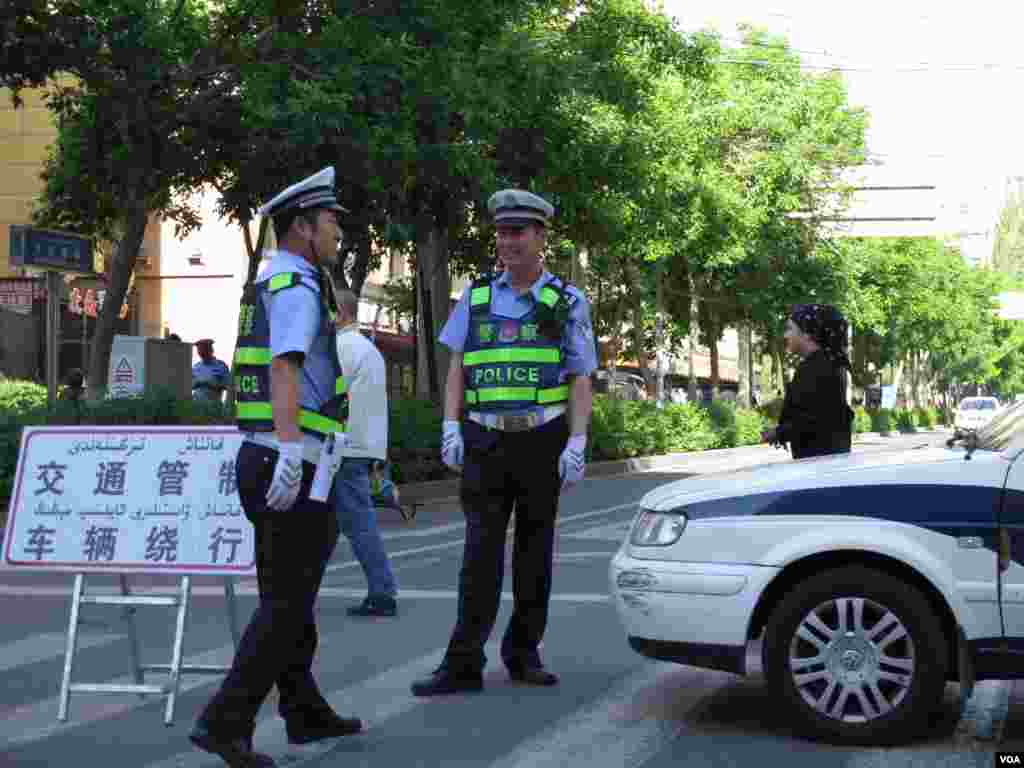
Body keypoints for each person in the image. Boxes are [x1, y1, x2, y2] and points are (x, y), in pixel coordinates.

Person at [189, 166, 361, 768]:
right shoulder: (294, 284)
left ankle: (303, 707)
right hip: (289, 457)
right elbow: (284, 369)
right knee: (286, 604)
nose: (338, 228)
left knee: (289, 596)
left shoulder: (267, 281)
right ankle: (225, 721)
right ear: (301, 227)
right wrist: (291, 448)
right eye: (330, 220)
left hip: (267, 454)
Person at [410, 189, 597, 697]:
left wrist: (577, 441)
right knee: (479, 553)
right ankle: (463, 661)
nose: (506, 241)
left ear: (540, 237)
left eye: (518, 231)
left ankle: (523, 652)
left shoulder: (564, 301)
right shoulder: (475, 297)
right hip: (486, 441)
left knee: (535, 551)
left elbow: (580, 376)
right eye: (501, 231)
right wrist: (450, 426)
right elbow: (457, 368)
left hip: (543, 439)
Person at [331, 288, 399, 617]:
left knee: (357, 522)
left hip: (342, 447)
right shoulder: (368, 348)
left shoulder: (341, 348)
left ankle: (382, 591)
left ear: (340, 314)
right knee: (334, 522)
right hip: (362, 445)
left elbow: (329, 395)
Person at [761, 304, 855, 460]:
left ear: (807, 333)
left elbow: (815, 420)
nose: (786, 336)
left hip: (818, 465)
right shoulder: (830, 364)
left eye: (790, 329)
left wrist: (778, 433)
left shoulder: (816, 367)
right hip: (829, 461)